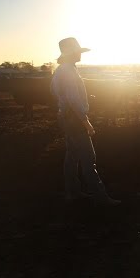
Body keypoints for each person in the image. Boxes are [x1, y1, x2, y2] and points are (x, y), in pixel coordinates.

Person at [50, 37, 121, 207]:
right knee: (89, 159)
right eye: (78, 52)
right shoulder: (69, 72)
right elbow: (73, 99)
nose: (80, 55)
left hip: (66, 118)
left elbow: (54, 91)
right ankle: (101, 198)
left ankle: (72, 192)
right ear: (72, 54)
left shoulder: (60, 70)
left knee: (72, 157)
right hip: (74, 119)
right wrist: (85, 121)